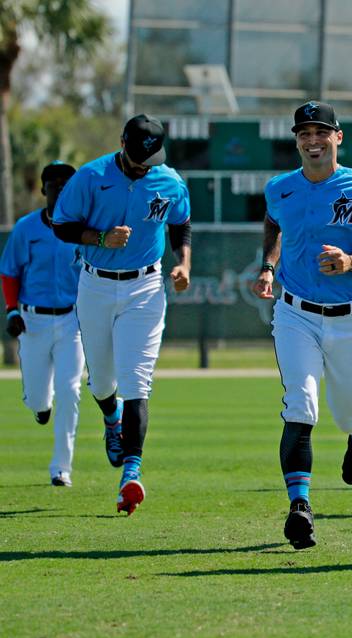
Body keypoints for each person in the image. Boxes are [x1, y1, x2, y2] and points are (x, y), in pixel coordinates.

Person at [252, 101, 352, 550]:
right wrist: (267, 265)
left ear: (338, 138)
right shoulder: (281, 188)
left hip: (351, 318)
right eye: (304, 133)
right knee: (300, 404)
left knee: (347, 411)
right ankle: (300, 506)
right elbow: (273, 222)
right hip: (295, 311)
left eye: (322, 132)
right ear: (296, 140)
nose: (312, 140)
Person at [53, 115, 192, 514]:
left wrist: (183, 264)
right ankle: (110, 418)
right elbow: (62, 226)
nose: (143, 165)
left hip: (145, 288)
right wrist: (99, 238)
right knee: (100, 382)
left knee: (137, 381)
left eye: (150, 159)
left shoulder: (169, 180)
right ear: (122, 144)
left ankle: (130, 473)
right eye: (136, 158)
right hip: (95, 284)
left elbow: (180, 225)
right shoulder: (91, 176)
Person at [1, 162, 83, 486]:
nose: (61, 189)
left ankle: (61, 468)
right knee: (38, 398)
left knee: (70, 389)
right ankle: (40, 405)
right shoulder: (27, 228)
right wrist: (11, 310)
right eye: (55, 184)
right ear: (43, 189)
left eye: (67, 185)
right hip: (33, 320)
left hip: (72, 319)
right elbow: (9, 271)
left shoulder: (84, 230)